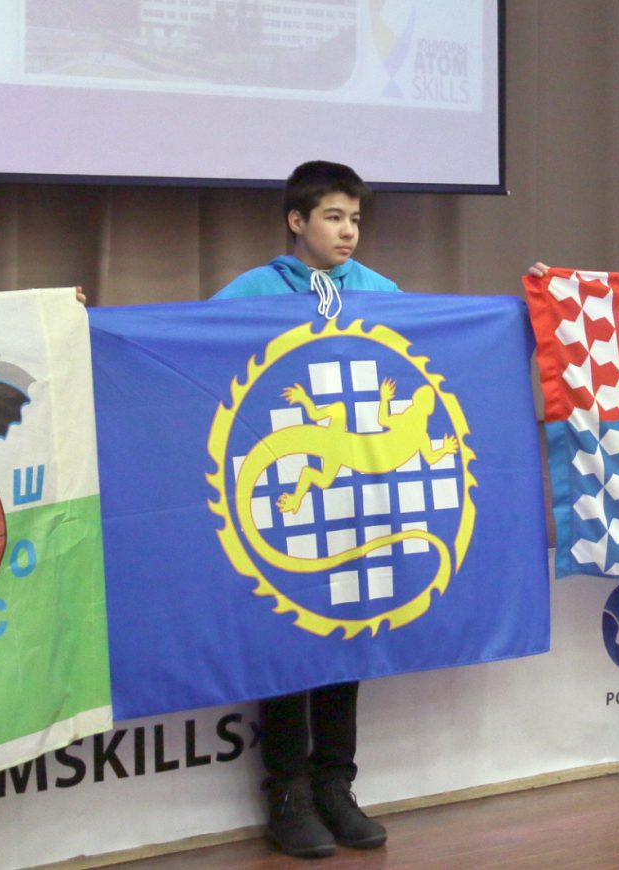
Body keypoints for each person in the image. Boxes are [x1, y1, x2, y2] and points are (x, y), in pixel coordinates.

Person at [211, 160, 395, 859]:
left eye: (355, 219)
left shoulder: (380, 293)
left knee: (345, 629)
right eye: (333, 218)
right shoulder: (251, 293)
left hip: (355, 495)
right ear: (297, 221)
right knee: (288, 636)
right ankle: (287, 792)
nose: (348, 232)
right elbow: (195, 353)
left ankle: (335, 785)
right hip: (282, 492)